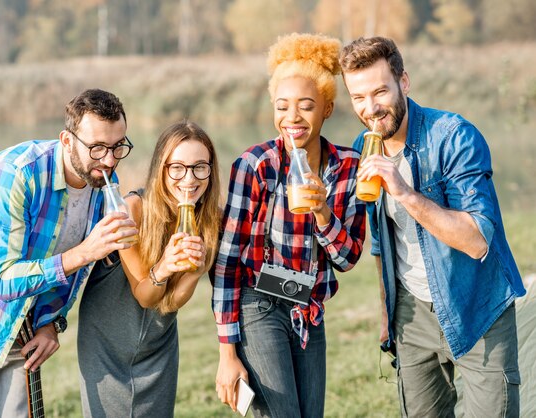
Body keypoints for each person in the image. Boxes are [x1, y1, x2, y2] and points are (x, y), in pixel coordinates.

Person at [0, 88, 139, 417]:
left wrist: (50, 323)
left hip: (20, 323)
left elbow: (69, 276)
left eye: (119, 146)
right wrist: (87, 251)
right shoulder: (17, 171)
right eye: (98, 148)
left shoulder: (103, 184)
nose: (110, 160)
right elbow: (3, 280)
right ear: (66, 140)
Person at [339, 36, 526, 417]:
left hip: (477, 305)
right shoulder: (364, 146)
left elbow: (477, 240)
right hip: (411, 317)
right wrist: (385, 313)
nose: (371, 108)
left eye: (380, 92)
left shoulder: (455, 136)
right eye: (358, 97)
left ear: (403, 82)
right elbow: (381, 241)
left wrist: (406, 192)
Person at [212, 33, 366, 418]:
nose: (292, 118)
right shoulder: (256, 165)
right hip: (259, 303)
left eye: (306, 106)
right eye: (282, 106)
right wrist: (227, 353)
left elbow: (347, 260)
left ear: (327, 108)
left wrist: (322, 214)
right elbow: (227, 262)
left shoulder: (348, 167)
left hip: (309, 308)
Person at [78, 120, 221, 418]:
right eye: (177, 167)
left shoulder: (210, 220)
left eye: (200, 167)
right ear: (162, 168)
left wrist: (197, 267)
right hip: (108, 344)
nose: (189, 179)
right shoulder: (132, 211)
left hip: (159, 340)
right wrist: (166, 266)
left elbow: (171, 304)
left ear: (211, 170)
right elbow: (145, 295)